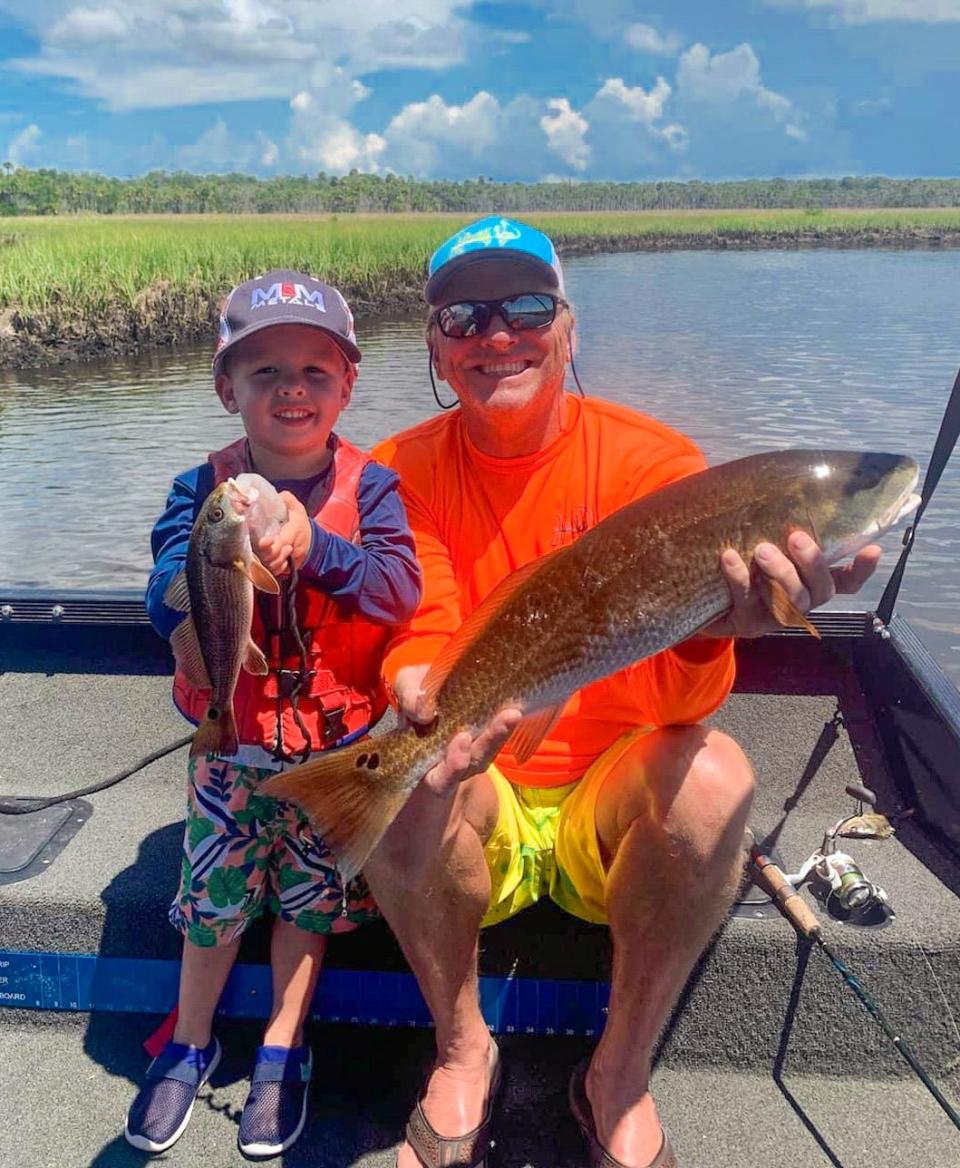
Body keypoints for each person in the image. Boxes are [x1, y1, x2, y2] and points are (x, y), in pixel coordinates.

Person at [363, 218, 881, 1168]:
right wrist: (415, 685)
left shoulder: (658, 466)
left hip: (610, 810)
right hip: (489, 801)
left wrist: (719, 630)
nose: (497, 336)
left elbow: (687, 710)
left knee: (714, 777)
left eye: (525, 308)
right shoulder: (395, 468)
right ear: (434, 346)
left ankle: (619, 1073)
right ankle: (462, 1047)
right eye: (466, 317)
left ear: (567, 326)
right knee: (402, 780)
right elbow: (423, 622)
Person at [125, 270, 421, 1158]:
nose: (292, 389)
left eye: (314, 372)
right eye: (264, 373)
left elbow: (399, 591)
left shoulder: (374, 489)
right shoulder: (199, 489)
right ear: (228, 390)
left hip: (337, 757)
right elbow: (157, 593)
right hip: (231, 749)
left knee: (309, 905)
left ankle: (282, 1048)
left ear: (347, 386)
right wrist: (219, 556)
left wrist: (318, 546)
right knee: (210, 905)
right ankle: (190, 1039)